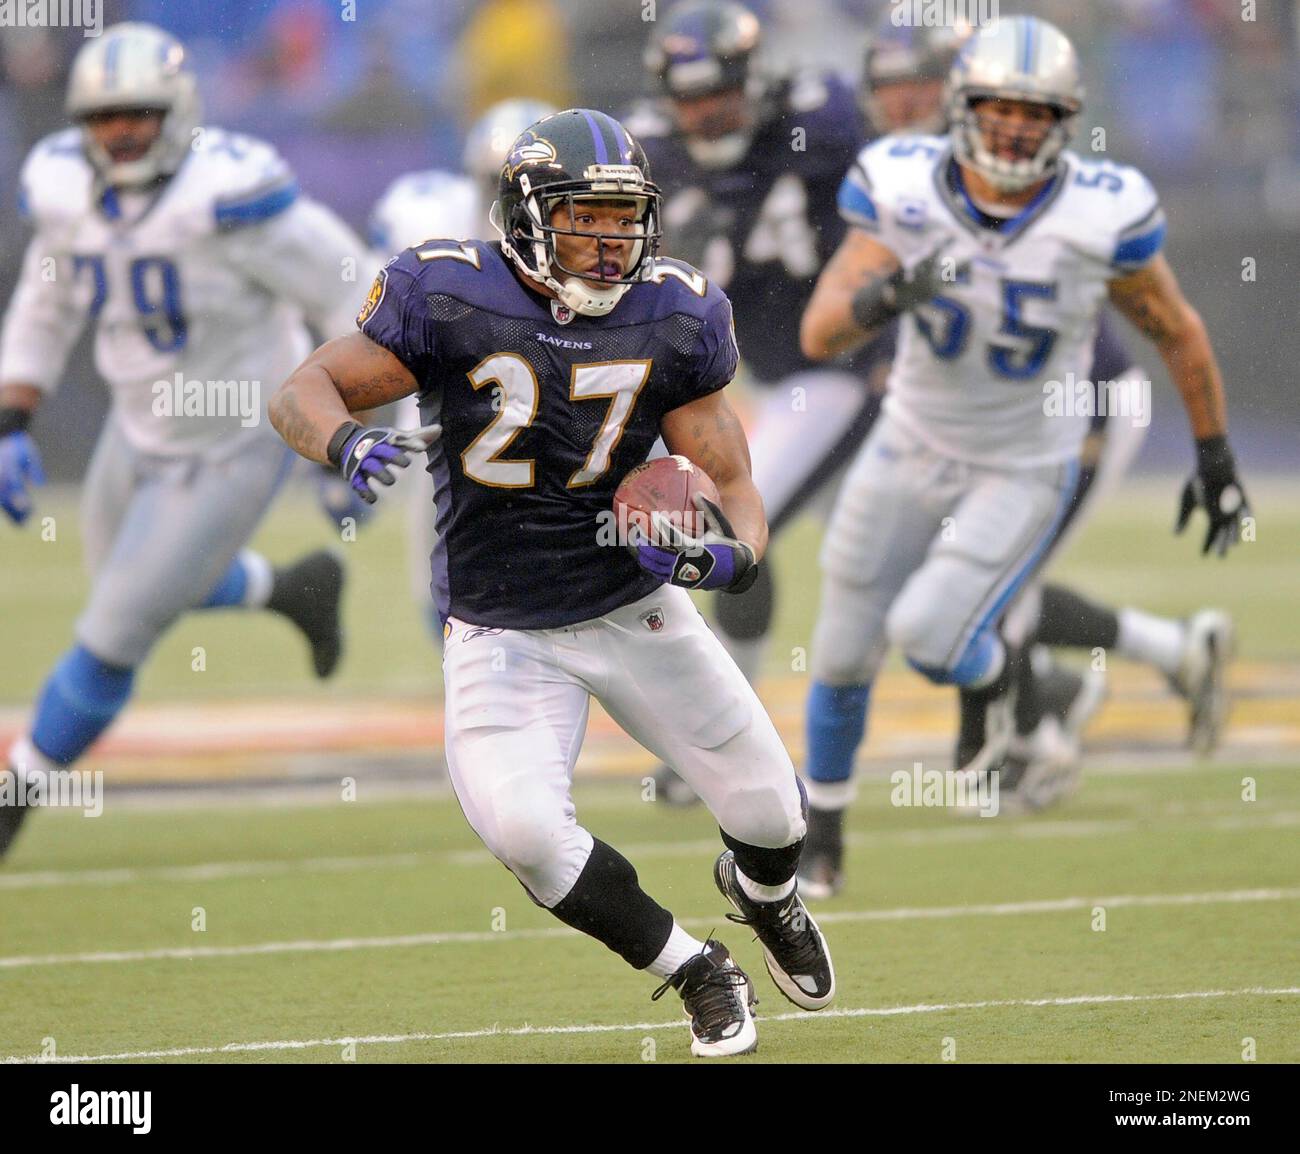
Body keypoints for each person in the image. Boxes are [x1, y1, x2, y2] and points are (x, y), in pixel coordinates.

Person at [269, 108, 835, 1058]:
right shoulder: (446, 293)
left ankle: (763, 896)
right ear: (528, 212)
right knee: (525, 831)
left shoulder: (677, 311)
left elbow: (735, 487)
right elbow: (301, 388)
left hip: (634, 608)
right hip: (502, 626)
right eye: (585, 216)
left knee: (775, 816)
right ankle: (694, 971)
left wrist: (720, 558)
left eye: (624, 218)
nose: (610, 239)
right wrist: (346, 439)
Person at [795, 17, 1252, 894]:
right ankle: (823, 835)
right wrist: (894, 290)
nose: (1013, 129)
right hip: (910, 442)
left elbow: (1180, 333)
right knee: (844, 646)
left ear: (1066, 121)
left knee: (929, 635)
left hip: (1022, 463)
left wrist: (1215, 455)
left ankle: (1005, 680)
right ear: (962, 108)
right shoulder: (902, 186)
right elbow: (822, 329)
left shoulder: (1102, 211)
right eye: (999, 109)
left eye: (1035, 114)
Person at [0, 23, 369, 858]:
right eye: (103, 118)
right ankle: (293, 590)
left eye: (136, 113)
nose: (120, 132)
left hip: (237, 437)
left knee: (112, 630)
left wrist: (347, 434)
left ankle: (15, 792)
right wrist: (13, 420)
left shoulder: (230, 197)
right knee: (132, 587)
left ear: (177, 111)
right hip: (135, 429)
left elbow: (354, 296)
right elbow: (45, 302)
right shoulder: (63, 187)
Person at [629, 0, 879, 805]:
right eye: (690, 97)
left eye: (719, 92)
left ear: (753, 76)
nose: (705, 112)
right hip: (739, 371)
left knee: (742, 524)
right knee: (886, 572)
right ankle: (1054, 689)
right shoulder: (652, 148)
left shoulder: (822, 118)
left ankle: (726, 744)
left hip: (836, 368)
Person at [368, 98, 555, 636]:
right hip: (449, 420)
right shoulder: (428, 224)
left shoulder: (594, 249)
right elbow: (373, 338)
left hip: (567, 426)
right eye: (503, 185)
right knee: (441, 574)